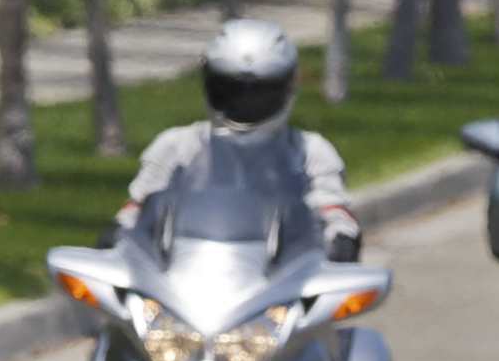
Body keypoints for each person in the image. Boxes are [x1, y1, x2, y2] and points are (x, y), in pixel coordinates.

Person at [118, 19, 360, 258]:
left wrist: (341, 243)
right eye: (232, 92)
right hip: (184, 272)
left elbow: (335, 212)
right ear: (210, 86)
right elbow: (136, 210)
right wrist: (116, 235)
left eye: (260, 93)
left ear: (287, 89)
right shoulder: (175, 145)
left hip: (284, 278)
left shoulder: (310, 150)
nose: (246, 102)